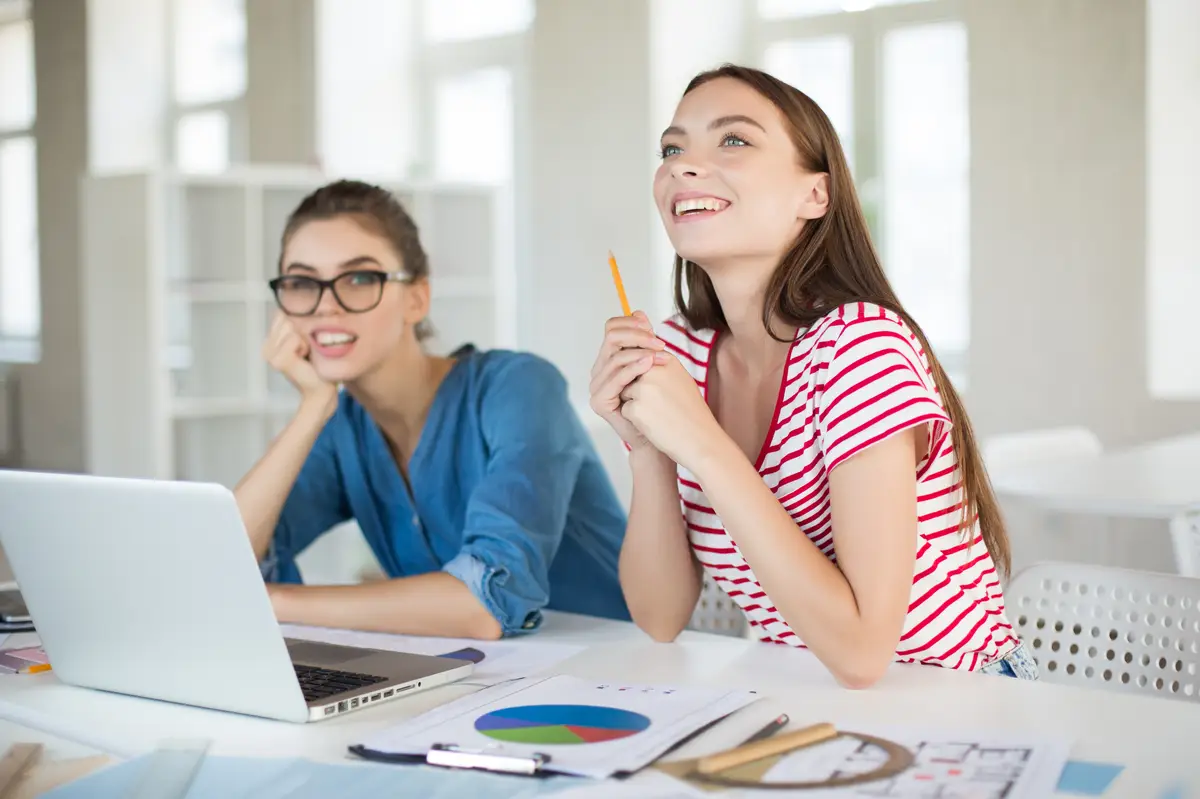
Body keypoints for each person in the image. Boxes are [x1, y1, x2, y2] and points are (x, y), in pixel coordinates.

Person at [590, 65, 1035, 686]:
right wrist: (646, 449)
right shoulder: (680, 352)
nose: (681, 167)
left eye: (734, 140)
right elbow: (660, 617)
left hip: (961, 696)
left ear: (815, 195)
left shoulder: (859, 347)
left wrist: (701, 442)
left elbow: (861, 654)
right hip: (808, 694)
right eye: (672, 148)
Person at [237, 179, 630, 640]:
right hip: (473, 681)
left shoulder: (519, 388)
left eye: (360, 278)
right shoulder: (340, 425)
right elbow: (224, 563)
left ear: (416, 298)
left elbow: (488, 601)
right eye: (302, 283)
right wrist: (312, 407)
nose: (326, 307)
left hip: (623, 671)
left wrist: (274, 602)